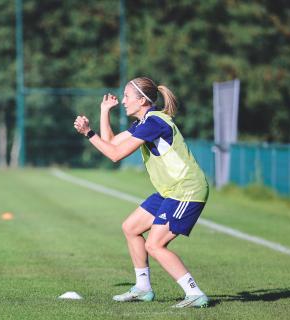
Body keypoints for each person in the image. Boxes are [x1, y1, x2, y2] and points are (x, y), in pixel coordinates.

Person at [73, 77, 209, 308]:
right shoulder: (144, 122)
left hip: (186, 190)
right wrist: (104, 111)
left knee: (154, 245)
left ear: (142, 100)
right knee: (131, 227)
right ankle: (143, 288)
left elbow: (115, 155)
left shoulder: (154, 122)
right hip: (169, 191)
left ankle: (195, 293)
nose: (123, 101)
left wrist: (88, 133)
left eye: (127, 96)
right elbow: (112, 143)